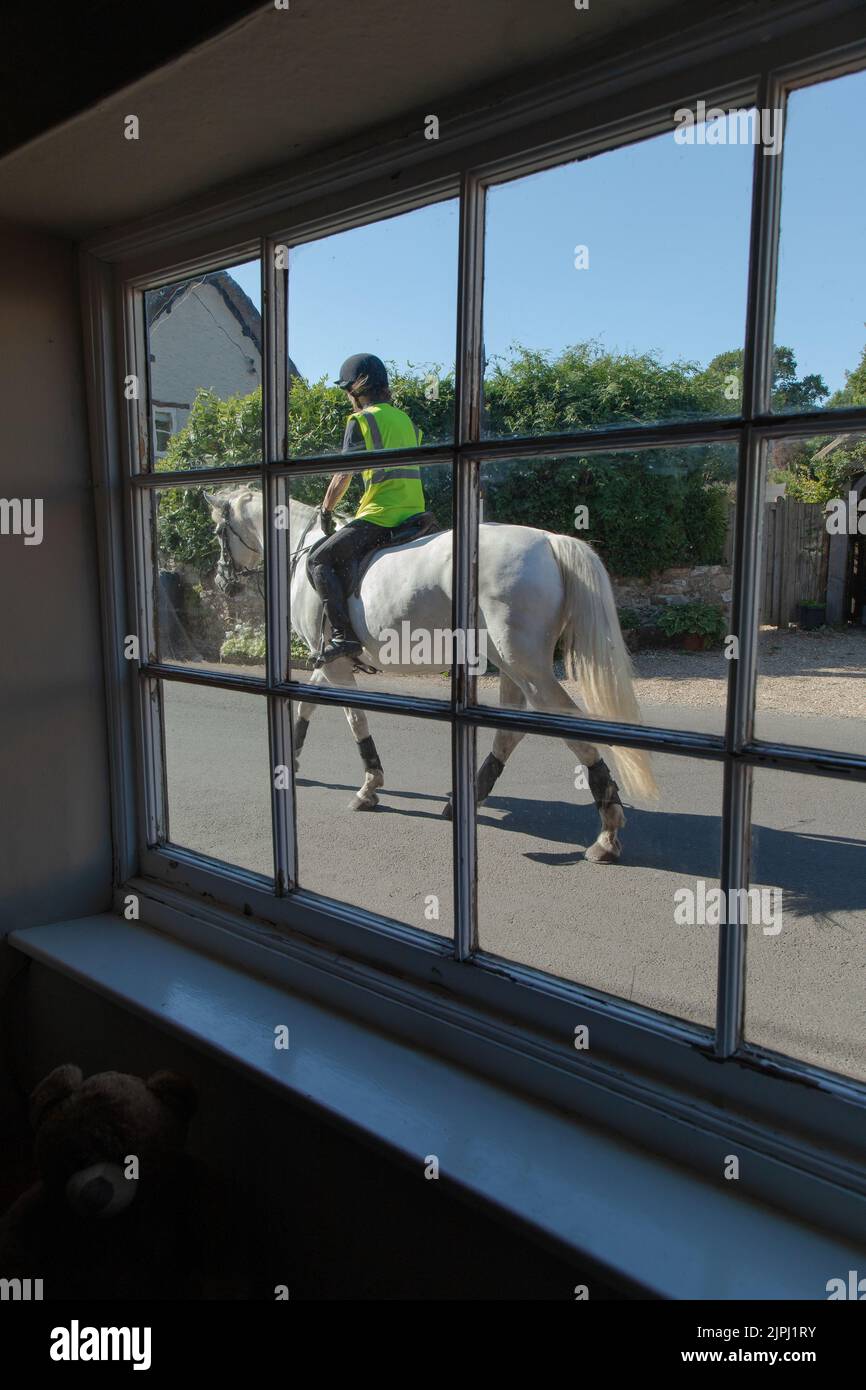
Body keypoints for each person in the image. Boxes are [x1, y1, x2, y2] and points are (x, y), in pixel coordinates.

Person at [308, 352, 426, 663]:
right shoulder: (407, 421)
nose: (348, 399)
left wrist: (326, 511)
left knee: (320, 558)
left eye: (347, 392)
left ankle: (343, 636)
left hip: (381, 515)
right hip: (416, 514)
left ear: (356, 390)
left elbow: (343, 475)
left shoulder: (360, 420)